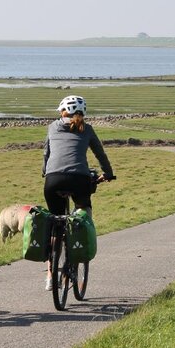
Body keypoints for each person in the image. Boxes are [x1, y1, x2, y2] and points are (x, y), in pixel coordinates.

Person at [42, 94, 114, 290]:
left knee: (55, 223)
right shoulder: (87, 129)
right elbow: (100, 154)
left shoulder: (53, 127)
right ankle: (76, 257)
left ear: (62, 111)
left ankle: (50, 275)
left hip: (53, 181)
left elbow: (46, 153)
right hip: (79, 179)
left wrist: (45, 173)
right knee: (84, 216)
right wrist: (108, 174)